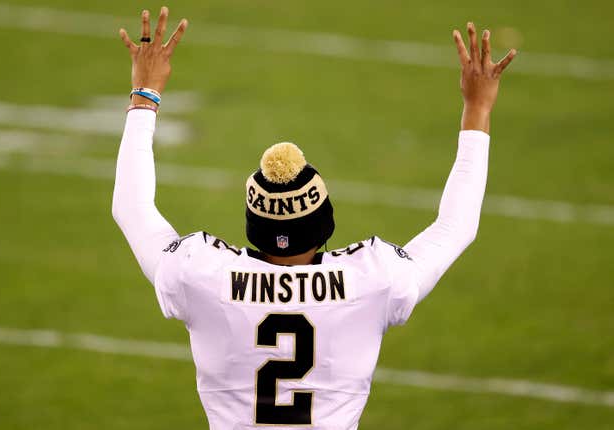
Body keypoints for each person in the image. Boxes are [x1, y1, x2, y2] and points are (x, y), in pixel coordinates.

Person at [113, 6, 516, 429]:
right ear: (324, 222)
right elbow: (456, 226)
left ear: (256, 223)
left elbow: (131, 207)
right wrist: (478, 109)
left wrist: (146, 95)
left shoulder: (200, 273)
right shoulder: (373, 277)